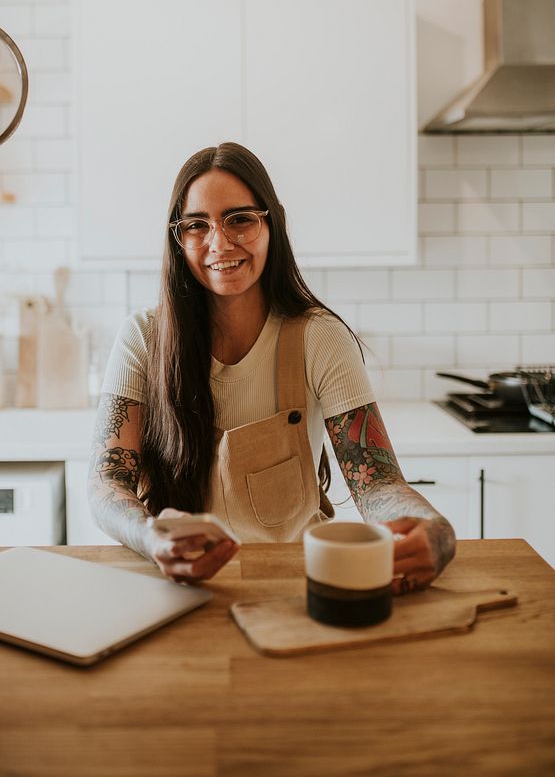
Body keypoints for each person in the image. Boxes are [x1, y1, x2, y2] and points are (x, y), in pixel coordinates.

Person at [88, 142, 456, 593]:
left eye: (239, 219)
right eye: (196, 225)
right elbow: (107, 483)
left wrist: (434, 528)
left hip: (294, 585)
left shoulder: (320, 337)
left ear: (271, 223)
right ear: (177, 238)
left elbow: (377, 485)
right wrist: (150, 537)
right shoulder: (143, 338)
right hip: (174, 584)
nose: (219, 243)